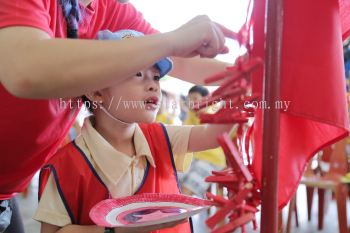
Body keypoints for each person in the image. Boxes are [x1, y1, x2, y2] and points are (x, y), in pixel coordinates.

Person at [0, 0, 235, 232]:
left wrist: (253, 76)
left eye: (156, 77)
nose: (154, 85)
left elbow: (180, 60)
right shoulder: (68, 164)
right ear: (96, 92)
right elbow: (26, 69)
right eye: (138, 73)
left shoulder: (160, 136)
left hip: (7, 193)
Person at [181, 85, 227, 197]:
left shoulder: (212, 115)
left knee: (186, 191)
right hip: (195, 157)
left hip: (212, 159)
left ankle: (183, 212)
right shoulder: (190, 116)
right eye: (189, 99)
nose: (191, 102)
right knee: (174, 180)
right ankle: (181, 211)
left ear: (206, 99)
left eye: (195, 98)